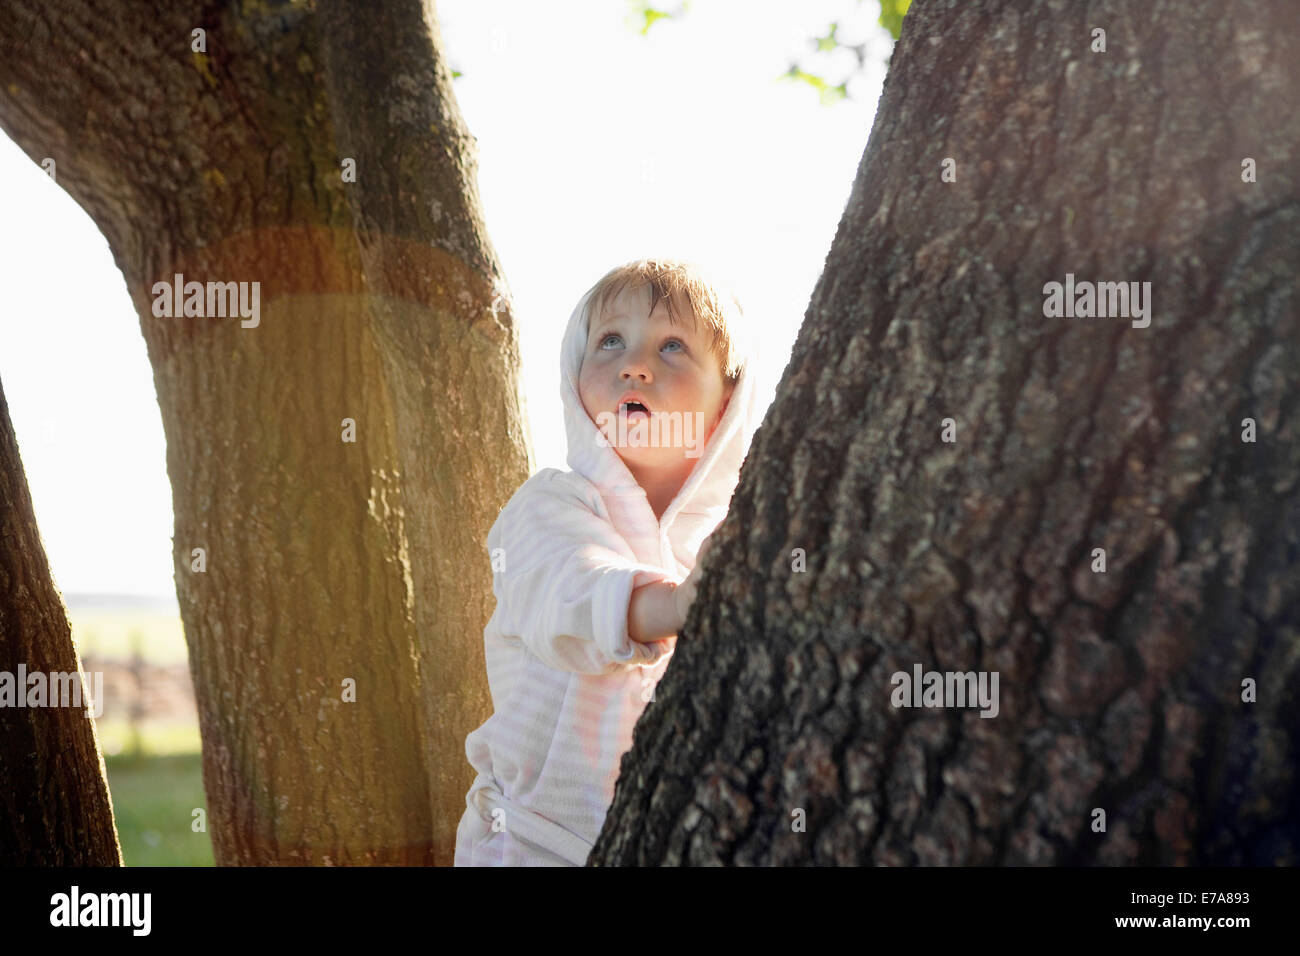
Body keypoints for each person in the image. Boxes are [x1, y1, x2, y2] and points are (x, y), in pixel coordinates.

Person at [454, 257, 762, 865]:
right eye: (610, 341)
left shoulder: (733, 535)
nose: (635, 365)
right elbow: (568, 589)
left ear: (726, 400)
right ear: (574, 377)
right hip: (531, 840)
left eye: (672, 346)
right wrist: (672, 605)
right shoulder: (550, 505)